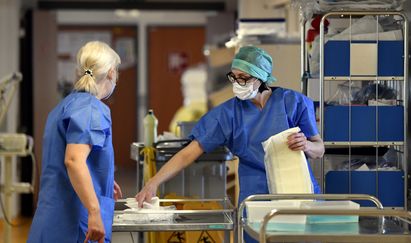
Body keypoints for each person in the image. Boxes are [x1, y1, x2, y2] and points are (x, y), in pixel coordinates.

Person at [135, 46, 324, 242]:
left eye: (243, 77)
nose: (237, 83)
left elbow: (319, 149)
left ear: (260, 77)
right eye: (233, 77)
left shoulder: (293, 102)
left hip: (298, 195)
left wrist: (307, 146)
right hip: (256, 199)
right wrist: (153, 183)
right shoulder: (228, 114)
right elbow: (188, 153)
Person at [28, 41, 123, 243]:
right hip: (73, 225)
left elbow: (73, 156)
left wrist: (101, 178)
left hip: (51, 220)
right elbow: (73, 160)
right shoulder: (91, 108)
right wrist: (94, 211)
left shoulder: (64, 106)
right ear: (111, 73)